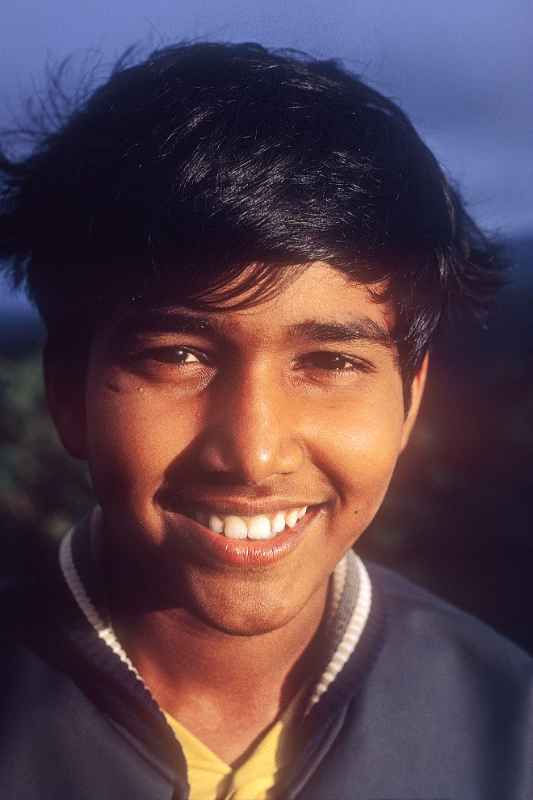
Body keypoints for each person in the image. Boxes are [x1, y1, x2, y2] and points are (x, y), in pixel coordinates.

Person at [0, 41, 531, 800]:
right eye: (178, 355)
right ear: (67, 394)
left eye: (331, 364)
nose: (251, 453)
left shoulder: (509, 736)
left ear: (409, 401)